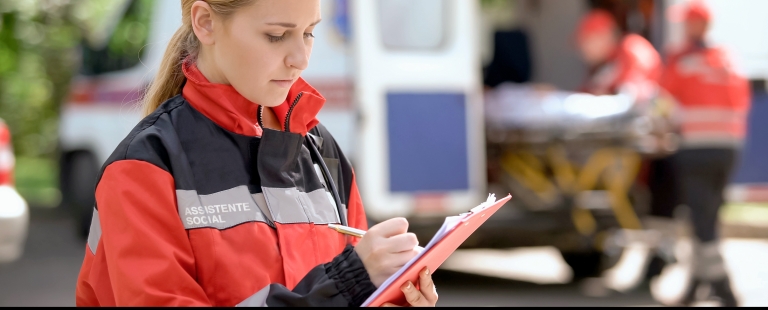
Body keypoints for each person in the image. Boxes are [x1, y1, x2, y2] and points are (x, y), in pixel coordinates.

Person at [74, 0, 437, 307]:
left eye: (309, 33)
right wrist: (343, 285)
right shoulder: (145, 167)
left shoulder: (320, 149)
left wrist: (389, 292)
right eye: (276, 36)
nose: (301, 59)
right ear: (205, 22)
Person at [653, 1, 750, 306]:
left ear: (693, 25)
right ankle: (696, 285)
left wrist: (658, 131)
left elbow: (662, 103)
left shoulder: (681, 60)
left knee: (702, 221)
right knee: (707, 216)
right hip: (729, 150)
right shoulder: (728, 59)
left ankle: (723, 285)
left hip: (695, 150)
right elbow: (742, 101)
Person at [575, 9, 661, 101]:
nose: (582, 50)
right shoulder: (601, 65)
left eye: (586, 42)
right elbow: (585, 95)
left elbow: (637, 92)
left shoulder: (631, 47)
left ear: (603, 36)